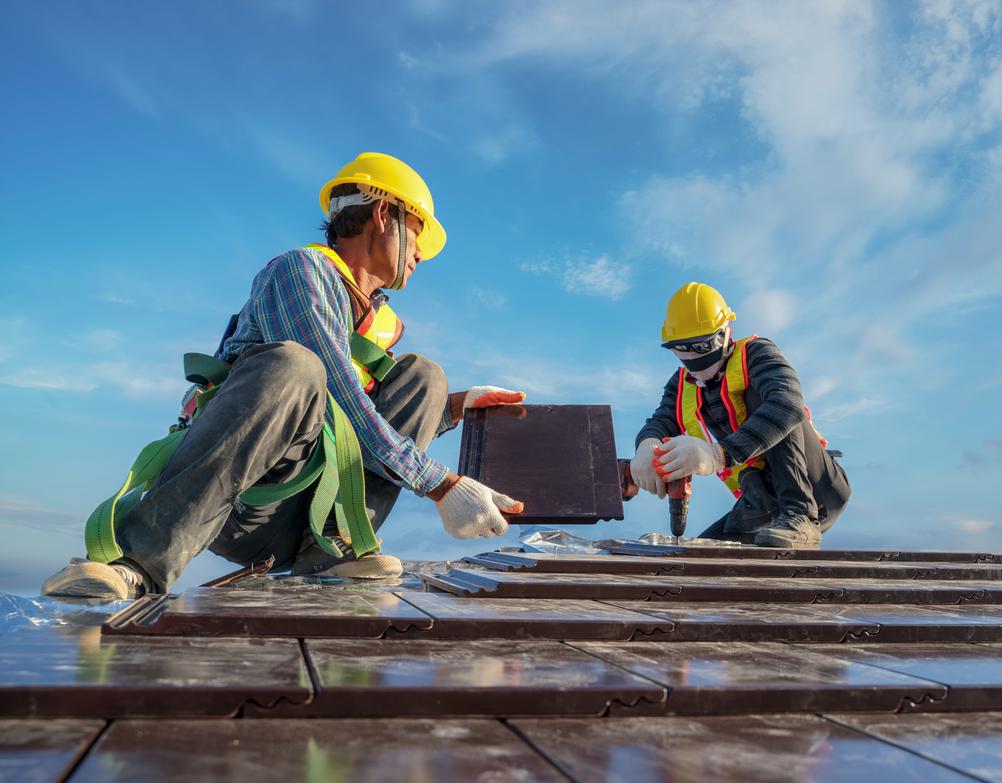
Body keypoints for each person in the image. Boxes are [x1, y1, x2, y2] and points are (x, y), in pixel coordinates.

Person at [43, 152, 525, 599]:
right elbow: (336, 389)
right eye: (418, 233)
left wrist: (452, 407)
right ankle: (137, 565)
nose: (421, 254)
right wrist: (440, 484)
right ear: (384, 215)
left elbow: (352, 419)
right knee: (294, 366)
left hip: (305, 511)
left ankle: (331, 556)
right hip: (235, 504)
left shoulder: (373, 319)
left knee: (425, 375)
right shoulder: (301, 273)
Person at [630, 282, 851, 548]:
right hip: (759, 500)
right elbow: (661, 420)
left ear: (724, 332)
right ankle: (774, 517)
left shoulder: (757, 355)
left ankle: (800, 514)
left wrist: (717, 455)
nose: (691, 357)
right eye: (681, 348)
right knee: (697, 558)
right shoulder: (681, 384)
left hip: (817, 489)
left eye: (700, 346)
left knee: (771, 401)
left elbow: (788, 403)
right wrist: (647, 445)